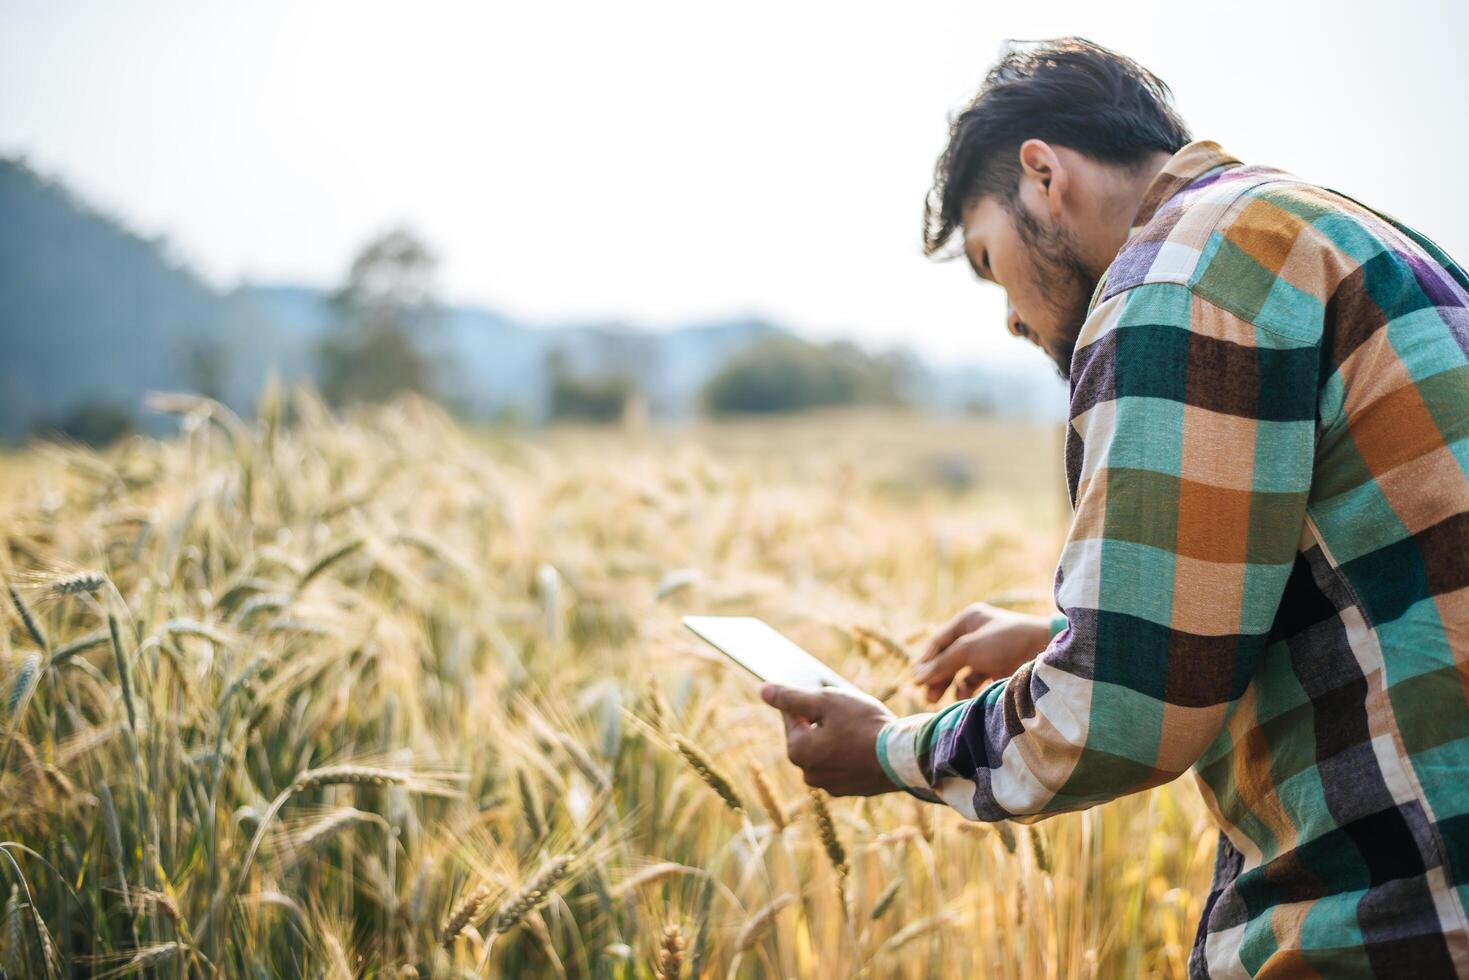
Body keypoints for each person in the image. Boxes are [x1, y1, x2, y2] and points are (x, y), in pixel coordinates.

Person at [759, 37, 1469, 978]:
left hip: (1394, 919)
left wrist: (886, 751)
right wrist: (1060, 630)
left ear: (1043, 175)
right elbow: (1368, 559)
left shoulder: (1176, 275)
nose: (1009, 317)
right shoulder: (1332, 231)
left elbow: (1120, 714)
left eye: (986, 259)